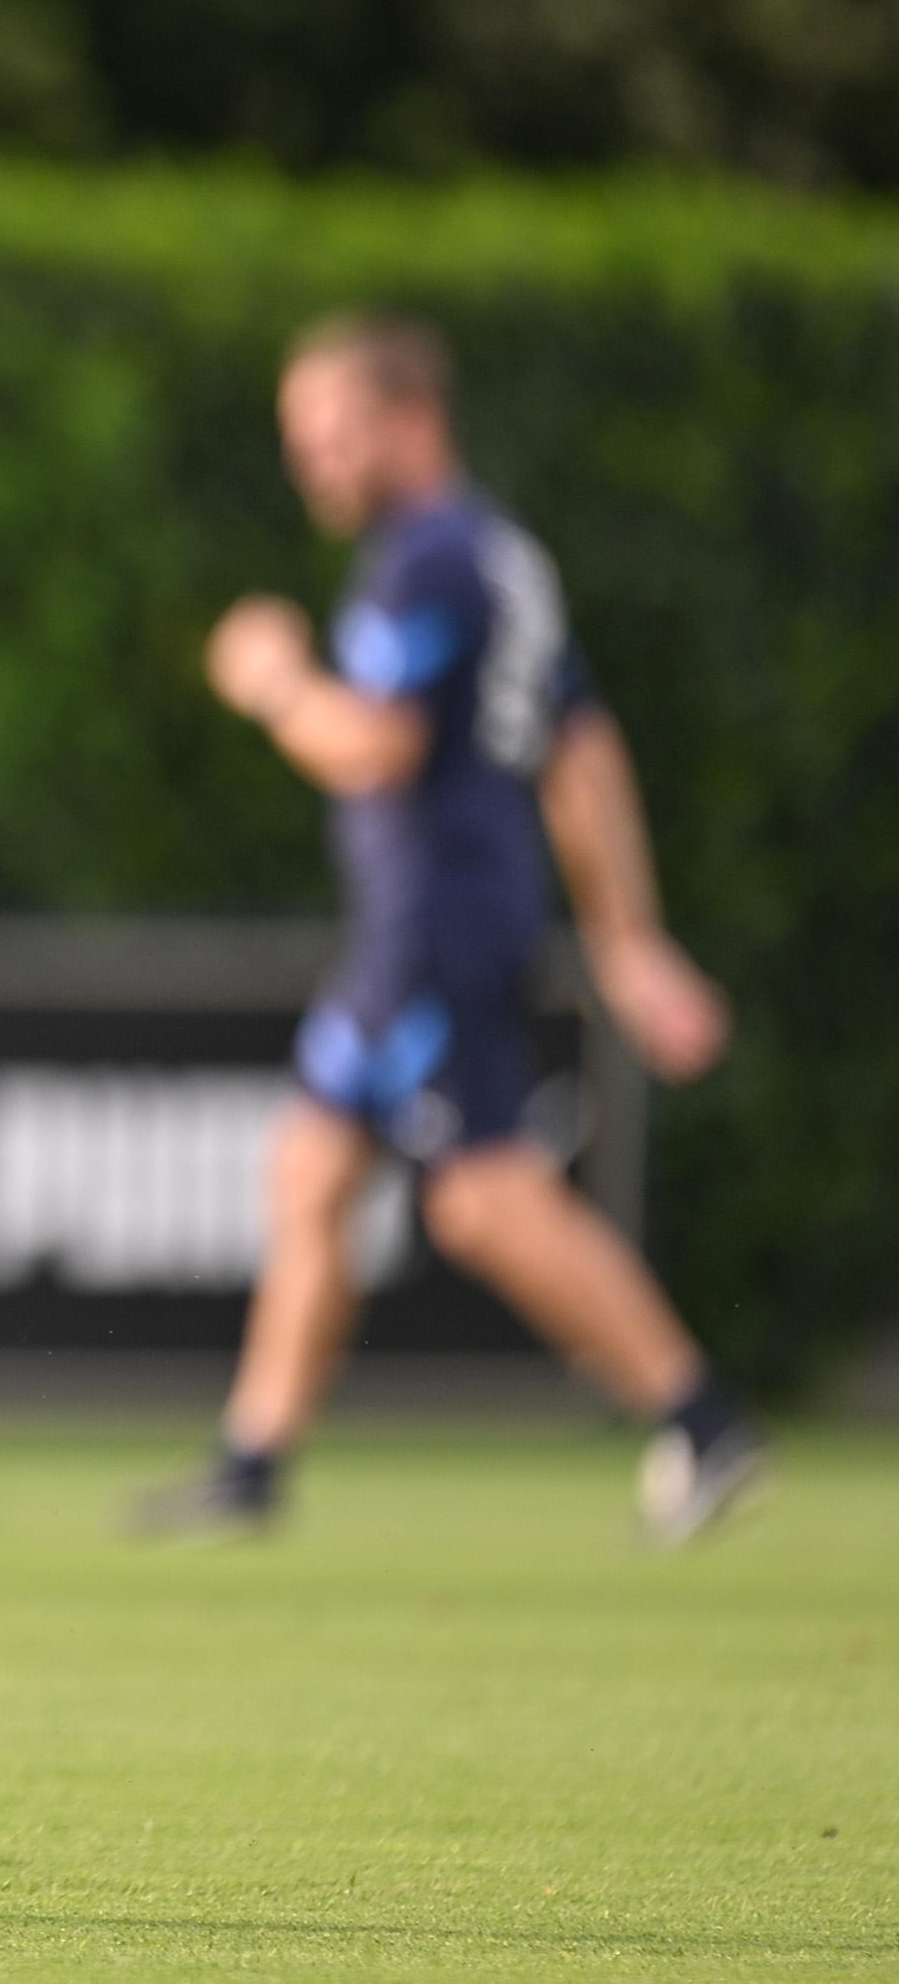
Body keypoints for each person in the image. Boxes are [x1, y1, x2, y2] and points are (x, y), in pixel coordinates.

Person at [137, 312, 761, 1546]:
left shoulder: (430, 558)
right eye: (300, 438)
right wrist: (626, 940)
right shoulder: (495, 555)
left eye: (332, 433)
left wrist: (270, 679)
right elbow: (580, 748)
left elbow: (377, 746)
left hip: (437, 929)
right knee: (311, 1168)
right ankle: (252, 1465)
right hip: (427, 929)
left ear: (412, 419)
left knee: (483, 1201)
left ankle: (703, 1420)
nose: (313, 462)